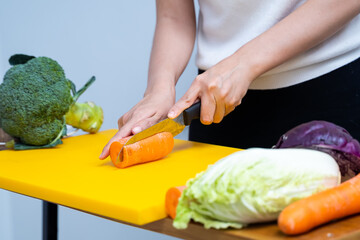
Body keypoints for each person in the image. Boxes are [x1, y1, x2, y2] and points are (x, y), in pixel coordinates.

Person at [99, 0, 360, 160]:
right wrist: (158, 88)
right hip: (213, 107)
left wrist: (244, 62)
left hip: (329, 92)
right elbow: (173, 18)